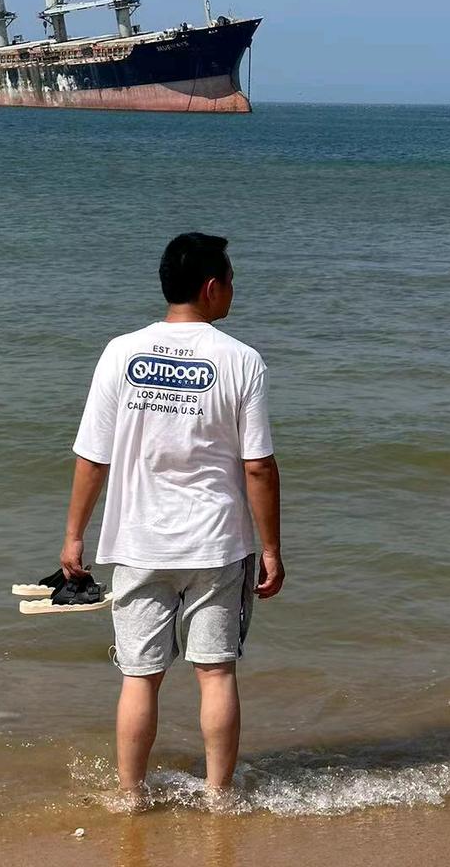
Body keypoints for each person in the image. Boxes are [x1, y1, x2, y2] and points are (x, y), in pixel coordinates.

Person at [59, 232, 284, 798]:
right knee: (216, 672)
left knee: (140, 679)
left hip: (136, 541)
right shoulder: (241, 360)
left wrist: (73, 539)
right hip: (216, 544)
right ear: (212, 288)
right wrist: (274, 549)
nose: (233, 290)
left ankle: (130, 796)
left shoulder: (120, 352)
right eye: (231, 280)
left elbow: (93, 457)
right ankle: (217, 798)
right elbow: (258, 466)